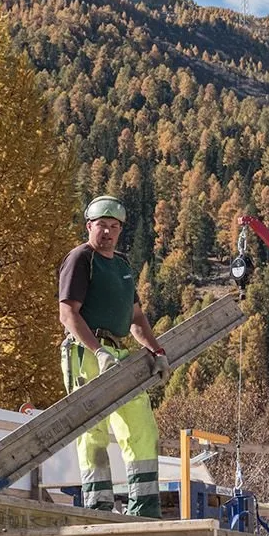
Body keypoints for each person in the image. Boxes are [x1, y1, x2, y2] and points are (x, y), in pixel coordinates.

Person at [58, 195, 166, 517]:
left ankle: (144, 507)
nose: (107, 232)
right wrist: (98, 351)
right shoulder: (81, 259)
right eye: (101, 225)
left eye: (114, 227)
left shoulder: (121, 265)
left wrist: (156, 350)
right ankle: (99, 505)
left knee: (141, 428)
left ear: (120, 231)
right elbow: (68, 314)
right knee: (93, 430)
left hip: (120, 353)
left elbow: (136, 318)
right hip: (86, 351)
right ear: (89, 226)